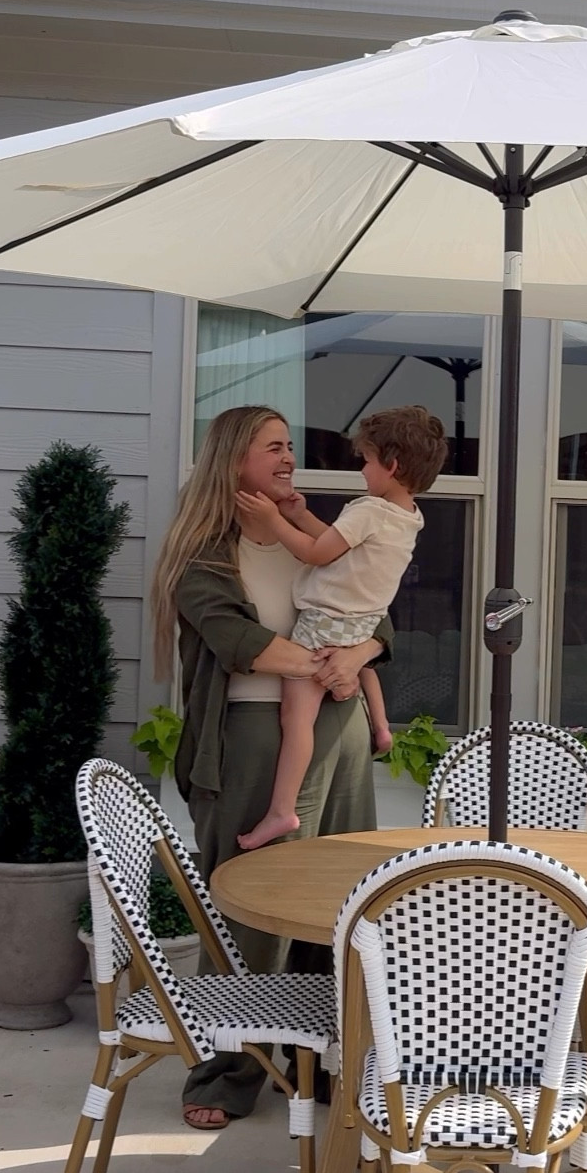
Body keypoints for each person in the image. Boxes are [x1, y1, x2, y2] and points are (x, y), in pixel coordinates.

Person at [150, 405, 395, 1130]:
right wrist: (333, 663)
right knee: (252, 913)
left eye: (290, 446)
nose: (289, 458)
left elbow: (377, 615)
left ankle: (321, 1063)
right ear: (234, 463)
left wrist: (359, 656)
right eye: (274, 448)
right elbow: (238, 639)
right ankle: (228, 1071)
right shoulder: (201, 557)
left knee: (343, 904)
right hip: (254, 741)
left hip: (340, 737)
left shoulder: (314, 538)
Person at [235, 405, 447, 851]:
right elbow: (341, 544)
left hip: (323, 622)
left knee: (297, 718)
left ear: (391, 465)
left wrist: (276, 519)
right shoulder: (409, 516)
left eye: (367, 460)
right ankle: (383, 725)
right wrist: (299, 515)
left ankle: (282, 809)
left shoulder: (369, 509)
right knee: (359, 659)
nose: (363, 469)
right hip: (361, 620)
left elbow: (318, 554)